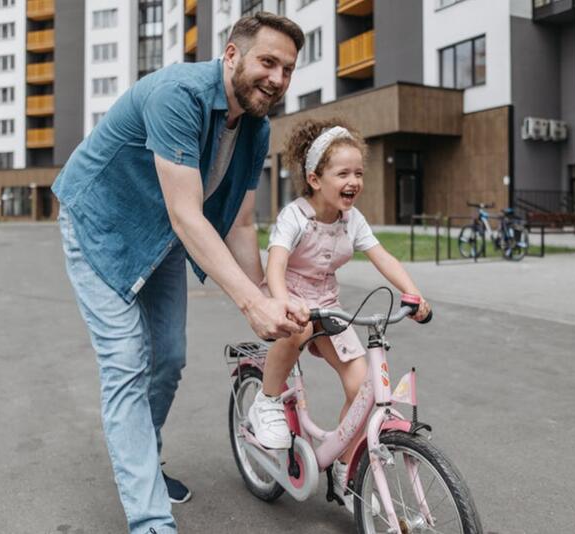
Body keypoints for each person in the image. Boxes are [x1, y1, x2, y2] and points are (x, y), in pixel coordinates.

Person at [51, 13, 308, 534]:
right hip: (100, 224)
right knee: (126, 363)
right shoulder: (178, 95)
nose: (277, 79)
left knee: (168, 357)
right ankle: (151, 520)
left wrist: (267, 294)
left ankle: (144, 461)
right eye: (268, 61)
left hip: (161, 235)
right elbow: (189, 215)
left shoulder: (256, 128)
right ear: (232, 55)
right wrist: (251, 305)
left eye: (287, 69)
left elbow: (238, 221)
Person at [248, 118, 431, 512]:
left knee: (362, 386)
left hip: (328, 304)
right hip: (290, 296)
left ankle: (345, 467)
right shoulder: (294, 216)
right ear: (315, 179)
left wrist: (412, 292)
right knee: (294, 332)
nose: (354, 181)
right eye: (343, 173)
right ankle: (266, 400)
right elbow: (276, 265)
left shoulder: (353, 219)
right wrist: (282, 302)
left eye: (359, 173)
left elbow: (382, 255)